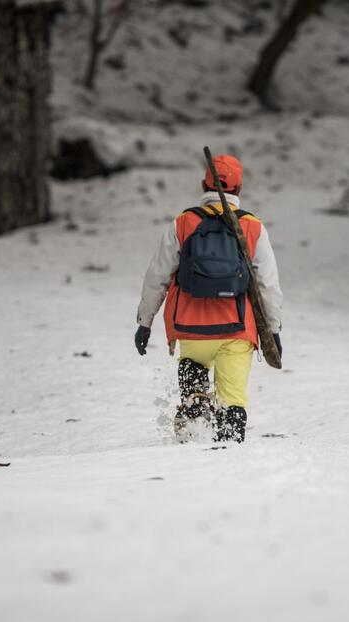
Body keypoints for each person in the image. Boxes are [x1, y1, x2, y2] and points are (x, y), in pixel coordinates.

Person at [134, 154, 283, 443]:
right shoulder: (252, 227)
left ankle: (195, 403)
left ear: (205, 183)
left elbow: (157, 276)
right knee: (232, 402)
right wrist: (274, 330)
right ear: (238, 189)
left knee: (193, 365)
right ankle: (228, 449)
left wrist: (145, 321)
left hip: (191, 328)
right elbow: (268, 285)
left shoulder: (184, 222)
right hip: (237, 329)